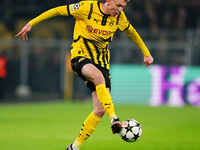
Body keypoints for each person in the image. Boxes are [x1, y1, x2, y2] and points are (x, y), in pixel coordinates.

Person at [16, 0, 154, 149]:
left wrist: (146, 54)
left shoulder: (119, 17)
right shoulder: (86, 7)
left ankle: (74, 146)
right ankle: (114, 118)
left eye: (123, 7)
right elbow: (57, 11)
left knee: (99, 110)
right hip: (80, 57)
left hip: (102, 64)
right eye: (118, 5)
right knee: (98, 77)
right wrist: (32, 23)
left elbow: (131, 32)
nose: (120, 10)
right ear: (108, 1)